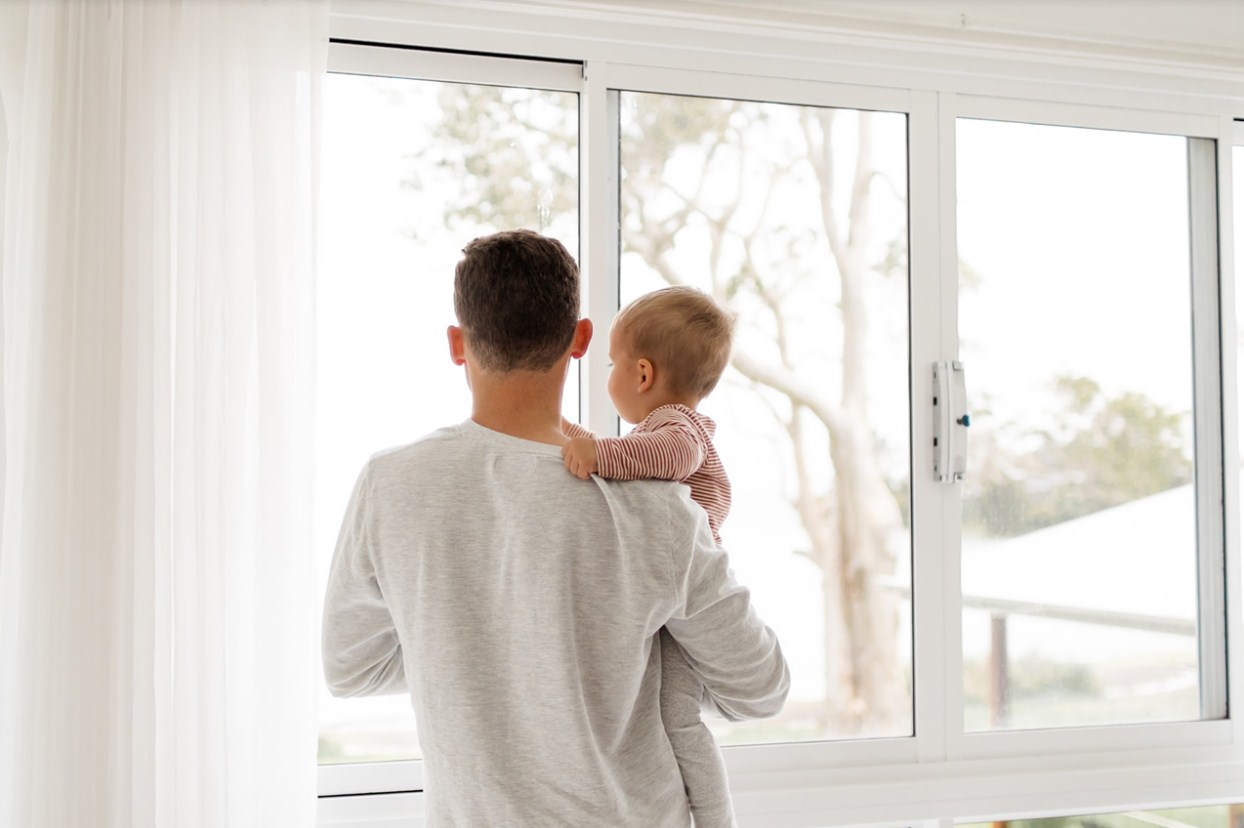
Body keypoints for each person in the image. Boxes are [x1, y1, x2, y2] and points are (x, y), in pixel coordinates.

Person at [321, 229, 789, 827]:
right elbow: (760, 687)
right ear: (581, 340)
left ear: (457, 345)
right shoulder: (658, 507)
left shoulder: (389, 485)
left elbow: (351, 670)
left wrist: (474, 651)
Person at [560, 286, 739, 828]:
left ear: (641, 375)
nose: (608, 374)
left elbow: (664, 456)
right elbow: (624, 454)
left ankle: (715, 818)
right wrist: (561, 432)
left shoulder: (677, 431)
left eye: (612, 363)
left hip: (686, 601)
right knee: (661, 713)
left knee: (679, 720)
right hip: (667, 601)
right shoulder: (655, 432)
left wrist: (597, 453)